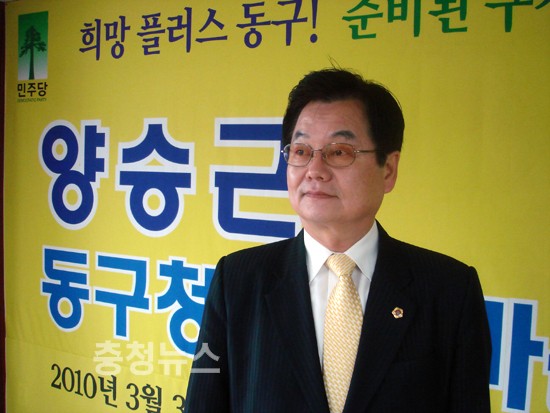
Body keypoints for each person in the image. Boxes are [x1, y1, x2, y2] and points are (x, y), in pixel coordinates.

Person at [185, 68, 492, 412]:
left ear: (388, 170)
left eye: (340, 152)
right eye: (301, 151)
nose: (315, 170)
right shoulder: (237, 280)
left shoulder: (449, 290)